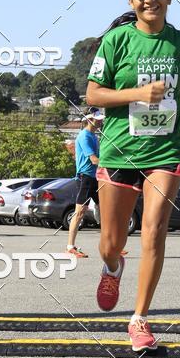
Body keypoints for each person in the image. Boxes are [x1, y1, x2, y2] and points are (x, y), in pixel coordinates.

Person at [86, 0, 180, 352]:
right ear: (131, 0)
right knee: (111, 241)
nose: (149, 0)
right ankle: (112, 266)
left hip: (165, 149)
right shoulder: (117, 41)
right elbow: (93, 95)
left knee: (155, 230)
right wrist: (137, 94)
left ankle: (139, 318)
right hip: (121, 149)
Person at [67, 110, 104, 258]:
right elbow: (94, 159)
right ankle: (70, 246)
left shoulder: (94, 136)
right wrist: (112, 165)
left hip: (94, 177)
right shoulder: (84, 136)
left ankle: (109, 245)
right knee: (80, 212)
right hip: (85, 177)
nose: (101, 121)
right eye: (98, 119)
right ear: (89, 120)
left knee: (104, 211)